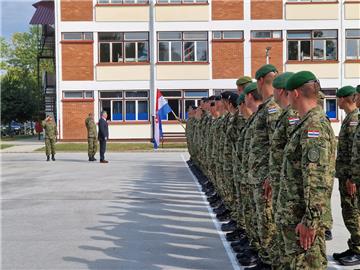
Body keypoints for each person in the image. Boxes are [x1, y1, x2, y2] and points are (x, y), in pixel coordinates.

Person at [276, 71, 336, 269]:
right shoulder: (307, 122)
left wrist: (310, 222)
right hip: (295, 217)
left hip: (302, 221)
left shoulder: (313, 126)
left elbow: (317, 179)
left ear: (295, 93)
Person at [247, 64, 281, 270]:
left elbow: (277, 146)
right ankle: (265, 256)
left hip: (265, 178)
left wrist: (270, 176)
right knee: (263, 219)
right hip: (260, 176)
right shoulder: (267, 107)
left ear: (260, 81)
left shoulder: (272, 109)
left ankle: (269, 261)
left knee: (267, 220)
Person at [334, 85, 360, 266]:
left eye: (337, 98)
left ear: (343, 99)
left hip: (352, 178)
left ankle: (358, 249)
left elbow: (355, 153)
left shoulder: (354, 120)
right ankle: (354, 246)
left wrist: (352, 178)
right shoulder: (350, 119)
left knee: (354, 213)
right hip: (347, 176)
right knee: (349, 212)